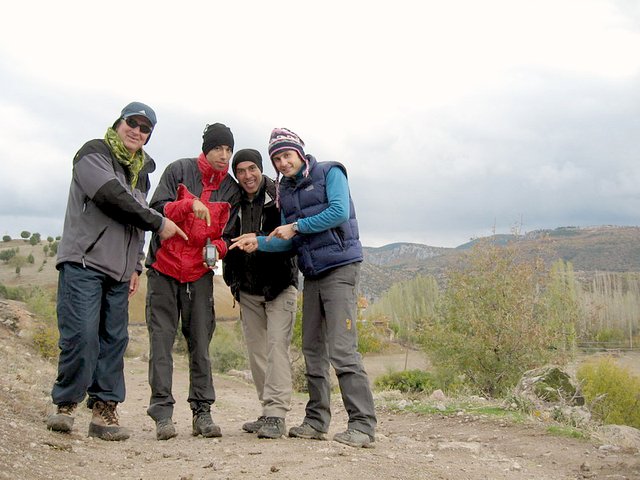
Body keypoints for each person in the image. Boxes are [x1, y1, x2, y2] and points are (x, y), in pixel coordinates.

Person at [47, 102, 187, 441]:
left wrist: (136, 264)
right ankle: (65, 405)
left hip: (121, 271)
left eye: (145, 128)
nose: (137, 131)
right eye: (132, 123)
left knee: (113, 341)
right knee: (81, 335)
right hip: (84, 261)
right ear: (119, 123)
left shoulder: (141, 171)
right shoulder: (93, 153)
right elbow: (112, 197)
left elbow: (134, 222)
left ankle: (104, 410)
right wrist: (160, 222)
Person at [230, 128, 377, 448]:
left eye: (286, 155)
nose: (282, 163)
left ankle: (363, 424)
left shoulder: (330, 172)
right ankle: (315, 420)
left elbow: (338, 211)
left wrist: (295, 225)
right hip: (312, 273)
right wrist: (260, 241)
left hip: (340, 268)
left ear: (299, 152)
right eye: (277, 159)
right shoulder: (287, 192)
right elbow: (290, 241)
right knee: (312, 349)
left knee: (342, 348)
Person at [145, 123, 241, 440]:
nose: (224, 155)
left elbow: (228, 236)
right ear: (206, 148)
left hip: (200, 274)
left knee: (200, 344)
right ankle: (162, 415)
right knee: (161, 344)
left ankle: (202, 413)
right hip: (164, 269)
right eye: (218, 148)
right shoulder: (179, 171)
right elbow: (156, 210)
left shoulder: (231, 189)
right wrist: (188, 204)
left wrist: (221, 249)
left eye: (228, 149)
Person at [222, 149, 298, 439]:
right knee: (257, 352)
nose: (246, 175)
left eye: (251, 168)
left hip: (280, 284)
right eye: (240, 170)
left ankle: (277, 414)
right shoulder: (233, 201)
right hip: (247, 288)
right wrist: (233, 281)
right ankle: (268, 411)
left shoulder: (281, 195)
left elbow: (292, 238)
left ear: (261, 169)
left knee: (277, 346)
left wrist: (262, 242)